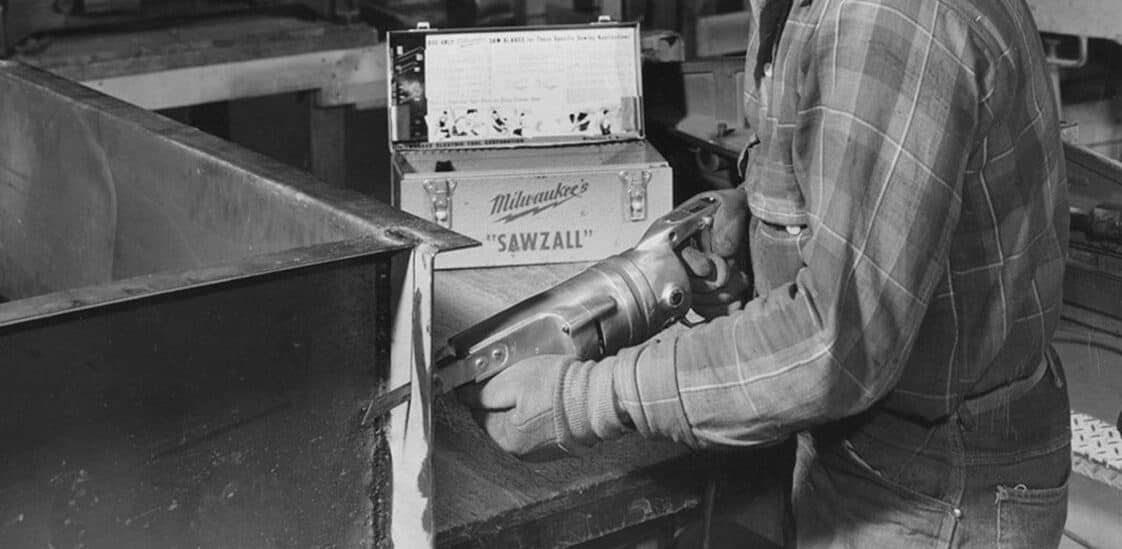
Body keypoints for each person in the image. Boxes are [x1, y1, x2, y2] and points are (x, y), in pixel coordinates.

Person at [459, 0, 1072, 546]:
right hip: (864, 448)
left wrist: (583, 400)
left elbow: (836, 348)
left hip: (935, 488)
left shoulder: (884, 18)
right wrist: (761, 226)